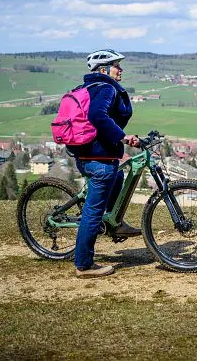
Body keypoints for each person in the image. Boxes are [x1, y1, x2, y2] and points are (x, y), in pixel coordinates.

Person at [67, 49, 142, 278]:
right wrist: (122, 137)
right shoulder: (106, 87)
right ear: (103, 70)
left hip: (96, 155)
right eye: (116, 65)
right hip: (96, 159)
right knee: (93, 212)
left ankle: (115, 221)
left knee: (118, 175)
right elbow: (98, 117)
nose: (121, 69)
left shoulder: (91, 87)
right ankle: (84, 265)